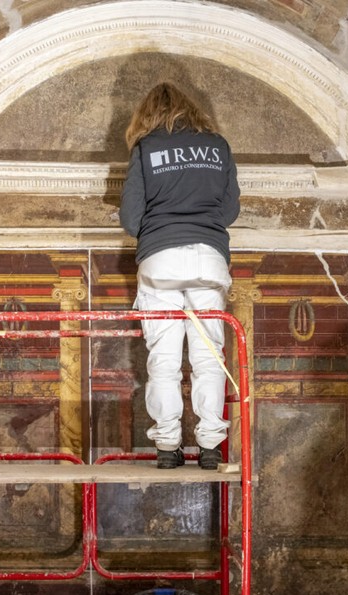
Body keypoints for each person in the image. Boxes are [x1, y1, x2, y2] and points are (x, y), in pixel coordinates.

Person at [119, 83, 240, 470]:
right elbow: (231, 209)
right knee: (209, 357)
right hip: (208, 259)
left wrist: (162, 231)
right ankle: (209, 447)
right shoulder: (217, 146)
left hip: (160, 260)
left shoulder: (146, 149)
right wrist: (201, 227)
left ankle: (168, 447)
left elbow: (130, 218)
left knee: (164, 359)